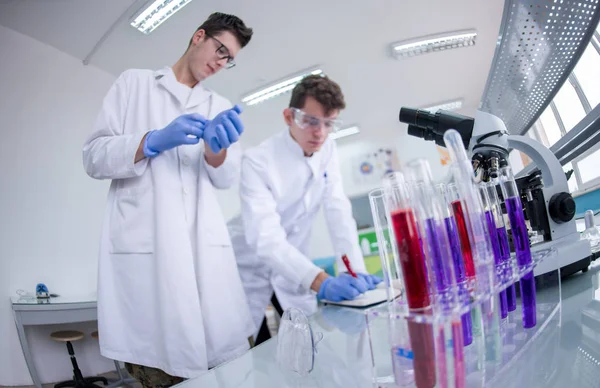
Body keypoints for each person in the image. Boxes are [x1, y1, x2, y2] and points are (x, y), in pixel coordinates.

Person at [82, 12, 255, 386]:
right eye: (219, 49)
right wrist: (150, 141)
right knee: (163, 369)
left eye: (230, 59)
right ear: (198, 36)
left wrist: (217, 151)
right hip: (150, 263)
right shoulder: (135, 84)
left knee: (226, 368)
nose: (221, 62)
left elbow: (225, 178)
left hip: (206, 262)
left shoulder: (218, 104)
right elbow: (93, 156)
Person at [228, 75, 382, 344]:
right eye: (311, 121)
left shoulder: (328, 149)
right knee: (250, 349)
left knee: (308, 348)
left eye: (328, 123)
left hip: (293, 269)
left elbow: (338, 211)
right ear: (289, 117)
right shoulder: (258, 160)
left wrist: (353, 270)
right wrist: (322, 281)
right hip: (246, 269)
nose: (319, 132)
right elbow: (265, 238)